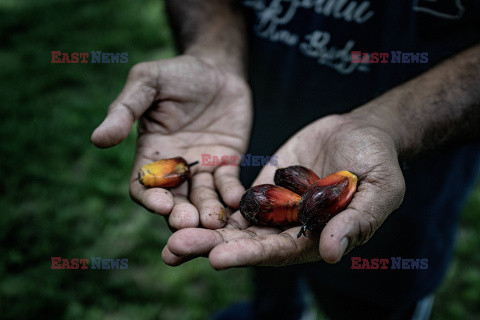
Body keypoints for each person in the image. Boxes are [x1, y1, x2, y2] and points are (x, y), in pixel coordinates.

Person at [91, 0, 480, 319]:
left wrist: (388, 127)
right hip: (240, 145)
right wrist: (212, 55)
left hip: (406, 171)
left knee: (372, 299)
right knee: (267, 277)